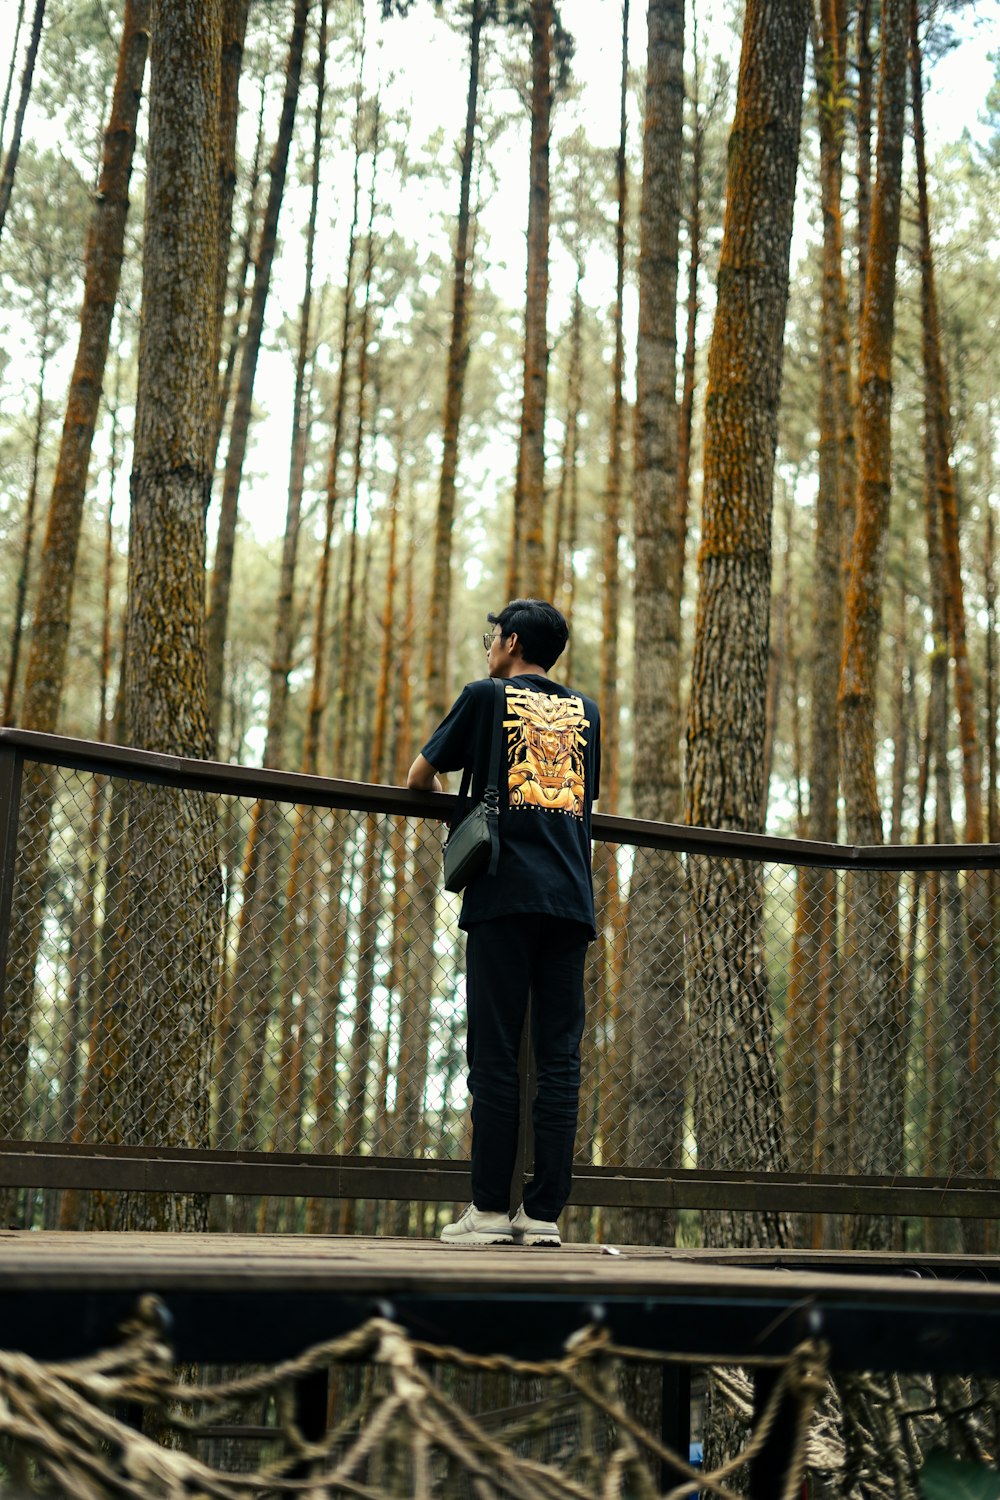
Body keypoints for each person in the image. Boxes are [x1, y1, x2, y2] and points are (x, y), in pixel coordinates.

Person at [407, 599, 601, 1246]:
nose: (489, 647)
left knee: (493, 1055)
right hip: (570, 900)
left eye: (493, 637)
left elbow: (419, 777)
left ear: (512, 642)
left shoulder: (485, 696)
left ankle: (489, 1210)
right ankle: (542, 1214)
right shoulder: (587, 715)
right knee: (558, 1060)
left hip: (503, 894)